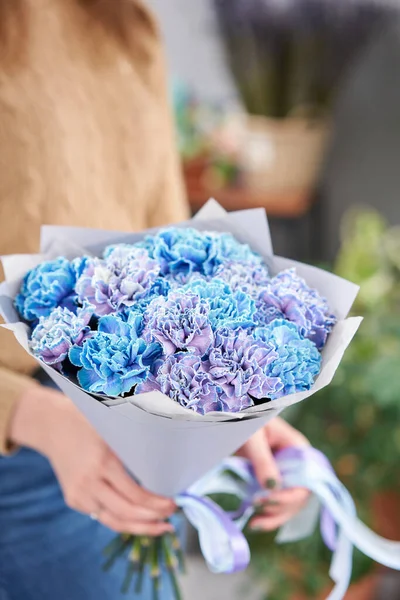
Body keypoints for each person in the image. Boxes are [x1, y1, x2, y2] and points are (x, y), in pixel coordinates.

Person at [0, 2, 309, 599]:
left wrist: (230, 405)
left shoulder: (121, 21)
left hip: (102, 426)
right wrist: (31, 414)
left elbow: (164, 251)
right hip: (36, 446)